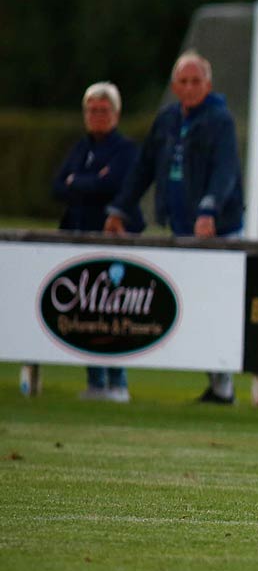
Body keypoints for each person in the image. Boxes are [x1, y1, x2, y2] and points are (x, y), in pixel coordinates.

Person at [104, 52, 244, 405]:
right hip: (180, 227)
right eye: (183, 81)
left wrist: (209, 209)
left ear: (208, 85)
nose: (190, 87)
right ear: (174, 86)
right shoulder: (167, 120)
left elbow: (225, 171)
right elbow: (144, 168)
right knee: (191, 306)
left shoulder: (219, 120)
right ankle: (216, 384)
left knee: (216, 307)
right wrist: (120, 208)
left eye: (196, 81)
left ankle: (223, 386)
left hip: (218, 231)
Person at [53, 81, 141, 402]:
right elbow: (58, 186)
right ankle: (95, 382)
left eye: (103, 110)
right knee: (86, 315)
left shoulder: (126, 150)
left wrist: (79, 182)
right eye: (92, 110)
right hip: (79, 241)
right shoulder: (81, 148)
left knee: (113, 314)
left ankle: (118, 382)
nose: (97, 116)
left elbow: (114, 184)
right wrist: (90, 182)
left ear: (116, 114)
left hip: (112, 241)